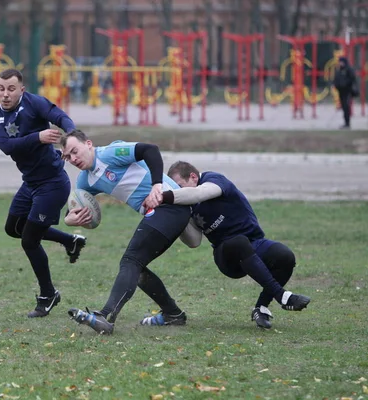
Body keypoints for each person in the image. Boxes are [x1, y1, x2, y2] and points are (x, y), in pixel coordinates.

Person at [60, 129, 190, 335]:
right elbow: (72, 208)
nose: (73, 159)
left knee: (130, 261)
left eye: (75, 151)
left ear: (88, 144)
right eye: (67, 156)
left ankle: (105, 316)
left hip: (171, 204)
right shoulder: (85, 180)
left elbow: (151, 150)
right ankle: (172, 313)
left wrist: (157, 186)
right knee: (135, 267)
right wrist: (69, 220)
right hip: (158, 213)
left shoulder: (110, 153)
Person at [162, 161, 311, 329]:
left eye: (180, 187)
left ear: (193, 177)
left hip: (255, 244)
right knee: (239, 242)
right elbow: (194, 242)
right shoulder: (188, 204)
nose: (179, 193)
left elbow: (199, 194)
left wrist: (167, 197)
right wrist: (179, 217)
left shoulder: (213, 179)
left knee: (285, 256)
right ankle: (282, 296)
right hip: (226, 256)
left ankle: (261, 308)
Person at [0, 69, 86, 318]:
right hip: (30, 182)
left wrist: (70, 139)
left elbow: (61, 117)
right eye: (1, 88)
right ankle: (69, 240)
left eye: (11, 88)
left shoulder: (35, 103)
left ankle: (48, 294)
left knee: (29, 240)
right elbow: (8, 146)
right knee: (13, 228)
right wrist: (38, 137)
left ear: (21, 89)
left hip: (52, 183)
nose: (5, 94)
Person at [333, 56, 358, 129]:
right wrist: (335, 84)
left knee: (346, 107)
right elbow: (336, 79)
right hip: (341, 91)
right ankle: (346, 122)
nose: (340, 63)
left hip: (347, 91)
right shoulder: (339, 70)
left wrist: (345, 84)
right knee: (344, 107)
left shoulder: (349, 69)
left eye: (341, 62)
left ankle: (347, 123)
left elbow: (352, 79)